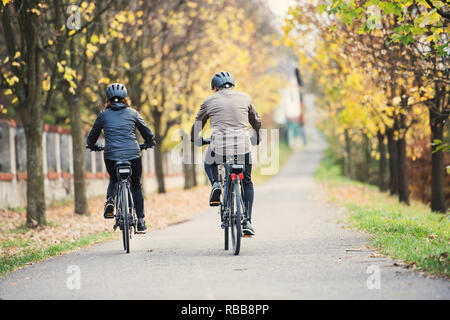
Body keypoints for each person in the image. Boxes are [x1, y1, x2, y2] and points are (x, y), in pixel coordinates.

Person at [190, 72, 261, 236]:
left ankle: (215, 183)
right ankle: (247, 221)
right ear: (233, 86)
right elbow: (256, 120)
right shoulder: (245, 98)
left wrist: (196, 139)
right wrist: (257, 135)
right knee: (247, 181)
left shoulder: (209, 101)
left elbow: (198, 123)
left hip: (219, 147)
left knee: (209, 162)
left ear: (215, 88)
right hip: (243, 147)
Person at [86, 83, 156, 233]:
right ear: (126, 99)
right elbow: (147, 132)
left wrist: (93, 146)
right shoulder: (133, 113)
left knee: (114, 179)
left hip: (111, 155)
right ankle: (141, 221)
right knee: (136, 184)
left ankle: (110, 201)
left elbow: (91, 137)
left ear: (108, 100)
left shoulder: (103, 115)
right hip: (133, 154)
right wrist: (149, 143)